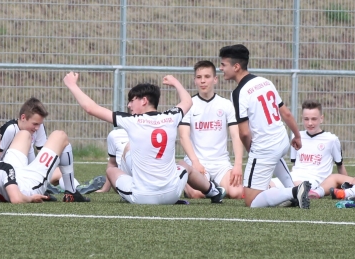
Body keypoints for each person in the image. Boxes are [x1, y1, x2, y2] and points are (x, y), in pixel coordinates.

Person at [64, 72, 223, 205]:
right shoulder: (171, 117)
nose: (129, 105)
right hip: (172, 194)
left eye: (132, 100)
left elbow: (90, 108)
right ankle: (214, 192)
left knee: (111, 170)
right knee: (183, 165)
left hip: (143, 197)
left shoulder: (132, 121)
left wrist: (72, 85)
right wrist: (175, 82)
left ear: (144, 100)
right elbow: (188, 101)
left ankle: (127, 195)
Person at [218, 44, 310, 209]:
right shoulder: (265, 82)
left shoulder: (238, 93)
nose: (221, 68)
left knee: (251, 201)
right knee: (274, 156)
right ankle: (293, 191)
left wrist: (252, 152)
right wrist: (297, 135)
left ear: (236, 66)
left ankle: (294, 192)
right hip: (282, 140)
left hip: (265, 148)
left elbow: (244, 133)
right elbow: (286, 114)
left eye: (223, 64)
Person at [0, 122, 85, 203]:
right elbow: (16, 199)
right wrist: (31, 199)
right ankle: (71, 192)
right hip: (29, 186)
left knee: (24, 134)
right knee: (60, 135)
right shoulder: (4, 169)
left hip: (11, 177)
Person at [0, 97, 98, 195]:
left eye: (39, 124)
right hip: (12, 175)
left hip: (32, 172)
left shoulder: (39, 128)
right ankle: (48, 188)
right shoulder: (10, 129)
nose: (37, 128)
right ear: (23, 117)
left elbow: (43, 153)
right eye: (35, 124)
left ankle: (76, 188)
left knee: (59, 172)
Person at [179, 60, 244, 200]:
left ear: (215, 79)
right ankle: (189, 185)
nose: (203, 81)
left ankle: (214, 185)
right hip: (197, 162)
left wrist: (238, 165)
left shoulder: (226, 104)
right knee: (197, 194)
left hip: (221, 163)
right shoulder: (188, 105)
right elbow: (183, 136)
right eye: (199, 77)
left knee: (237, 193)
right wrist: (195, 162)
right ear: (195, 80)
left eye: (207, 77)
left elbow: (236, 135)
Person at [289, 100, 351, 200]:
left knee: (295, 187)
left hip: (314, 181)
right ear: (302, 119)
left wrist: (347, 189)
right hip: (293, 177)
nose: (310, 123)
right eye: (306, 119)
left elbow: (340, 165)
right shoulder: (296, 136)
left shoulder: (331, 139)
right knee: (268, 184)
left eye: (314, 119)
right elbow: (294, 165)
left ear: (321, 118)